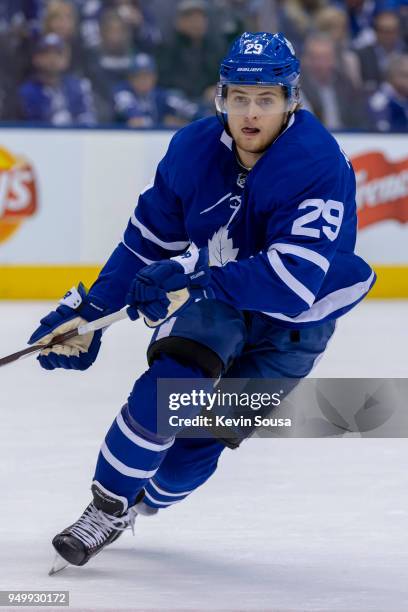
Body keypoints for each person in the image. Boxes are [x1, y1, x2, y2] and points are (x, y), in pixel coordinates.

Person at [29, 31, 375, 572]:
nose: (251, 113)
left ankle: (142, 503)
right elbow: (144, 242)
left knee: (199, 442)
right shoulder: (193, 150)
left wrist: (190, 269)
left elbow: (292, 280)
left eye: (266, 99)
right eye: (240, 97)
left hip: (297, 321)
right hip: (218, 297)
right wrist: (89, 315)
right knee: (173, 386)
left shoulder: (317, 161)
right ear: (221, 98)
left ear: (291, 101)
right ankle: (105, 508)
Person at [18, 33, 96, 126]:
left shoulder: (78, 87)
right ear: (36, 59)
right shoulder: (27, 92)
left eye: (58, 53)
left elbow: (88, 120)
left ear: (66, 59)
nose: (52, 58)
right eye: (46, 53)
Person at [300, 33, 367, 130]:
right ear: (306, 60)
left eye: (326, 58)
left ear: (334, 59)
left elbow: (358, 118)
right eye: (315, 58)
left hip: (347, 138)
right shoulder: (298, 87)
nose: (321, 64)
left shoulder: (345, 83)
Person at [113, 53, 198, 127]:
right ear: (130, 79)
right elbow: (135, 118)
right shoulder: (123, 91)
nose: (143, 81)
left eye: (147, 76)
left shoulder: (161, 95)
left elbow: (190, 109)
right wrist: (162, 123)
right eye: (138, 76)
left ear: (154, 77)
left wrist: (184, 122)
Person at [368, 52, 408, 131]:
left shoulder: (403, 99)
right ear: (392, 76)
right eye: (406, 75)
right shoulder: (379, 101)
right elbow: (382, 131)